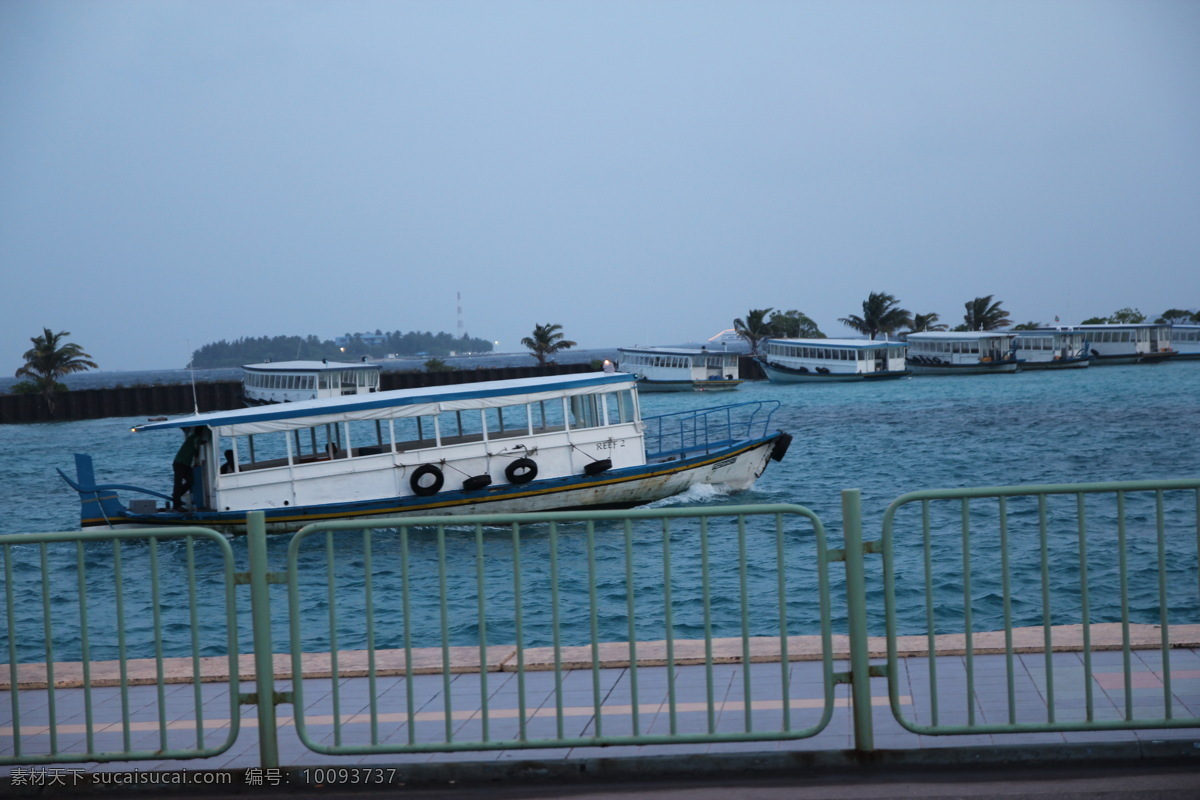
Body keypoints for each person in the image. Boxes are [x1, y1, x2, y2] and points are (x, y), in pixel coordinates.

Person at [172, 428, 202, 511]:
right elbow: (196, 452)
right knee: (179, 483)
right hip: (180, 463)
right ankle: (176, 504)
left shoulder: (192, 437)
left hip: (184, 463)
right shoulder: (196, 438)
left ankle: (176, 496)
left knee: (190, 481)